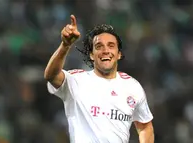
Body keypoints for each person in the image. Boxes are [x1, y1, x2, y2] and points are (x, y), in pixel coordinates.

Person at [44, 14, 154, 143]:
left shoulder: (132, 87)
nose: (105, 50)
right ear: (91, 55)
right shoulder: (77, 80)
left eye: (111, 45)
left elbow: (145, 126)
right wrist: (65, 45)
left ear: (119, 54)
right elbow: (51, 75)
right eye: (99, 46)